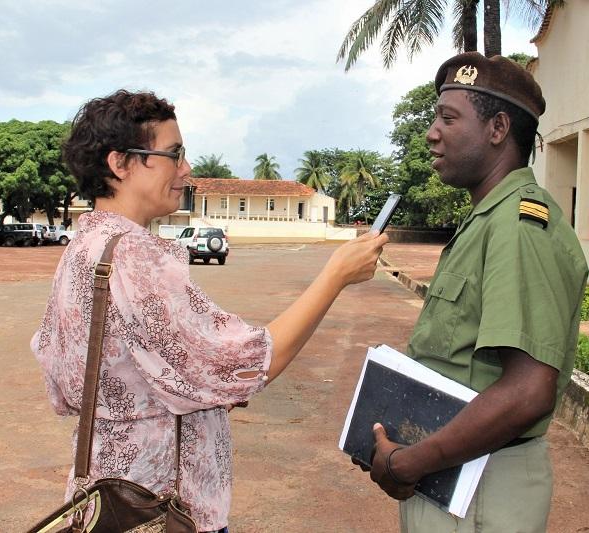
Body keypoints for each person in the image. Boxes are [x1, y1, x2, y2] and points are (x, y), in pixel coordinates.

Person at [31, 89, 389, 533]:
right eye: (173, 154)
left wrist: (187, 391)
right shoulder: (137, 257)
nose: (186, 169)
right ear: (120, 163)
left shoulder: (84, 248)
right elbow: (245, 362)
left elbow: (69, 380)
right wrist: (334, 276)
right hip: (162, 508)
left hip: (104, 500)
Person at [362, 53, 589, 532]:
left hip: (482, 484)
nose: (431, 133)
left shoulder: (519, 226)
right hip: (452, 475)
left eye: (448, 118)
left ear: (498, 128)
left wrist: (411, 462)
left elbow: (528, 391)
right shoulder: (487, 220)